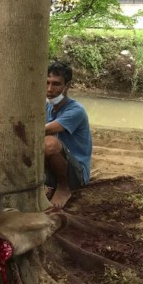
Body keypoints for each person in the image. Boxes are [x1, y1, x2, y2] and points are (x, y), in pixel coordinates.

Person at [45, 61, 93, 208]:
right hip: (53, 167)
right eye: (47, 83)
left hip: (75, 173)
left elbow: (44, 130)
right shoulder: (47, 106)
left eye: (56, 84)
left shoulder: (76, 110)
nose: (49, 89)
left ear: (67, 86)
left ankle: (64, 187)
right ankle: (46, 184)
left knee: (49, 143)